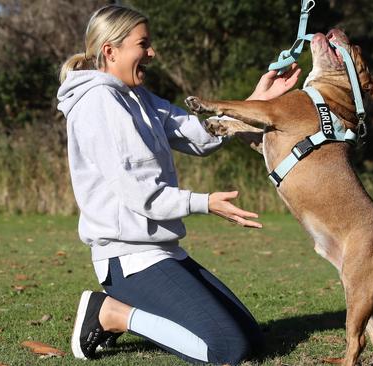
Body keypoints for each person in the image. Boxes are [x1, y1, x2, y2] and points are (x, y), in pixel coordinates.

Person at [57, 4, 300, 364]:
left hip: (163, 250)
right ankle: (111, 313)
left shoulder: (138, 97)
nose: (151, 52)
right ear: (111, 51)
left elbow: (198, 136)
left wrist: (254, 103)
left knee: (252, 340)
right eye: (143, 44)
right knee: (228, 350)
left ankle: (119, 310)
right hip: (128, 258)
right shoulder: (100, 102)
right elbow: (143, 194)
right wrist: (204, 202)